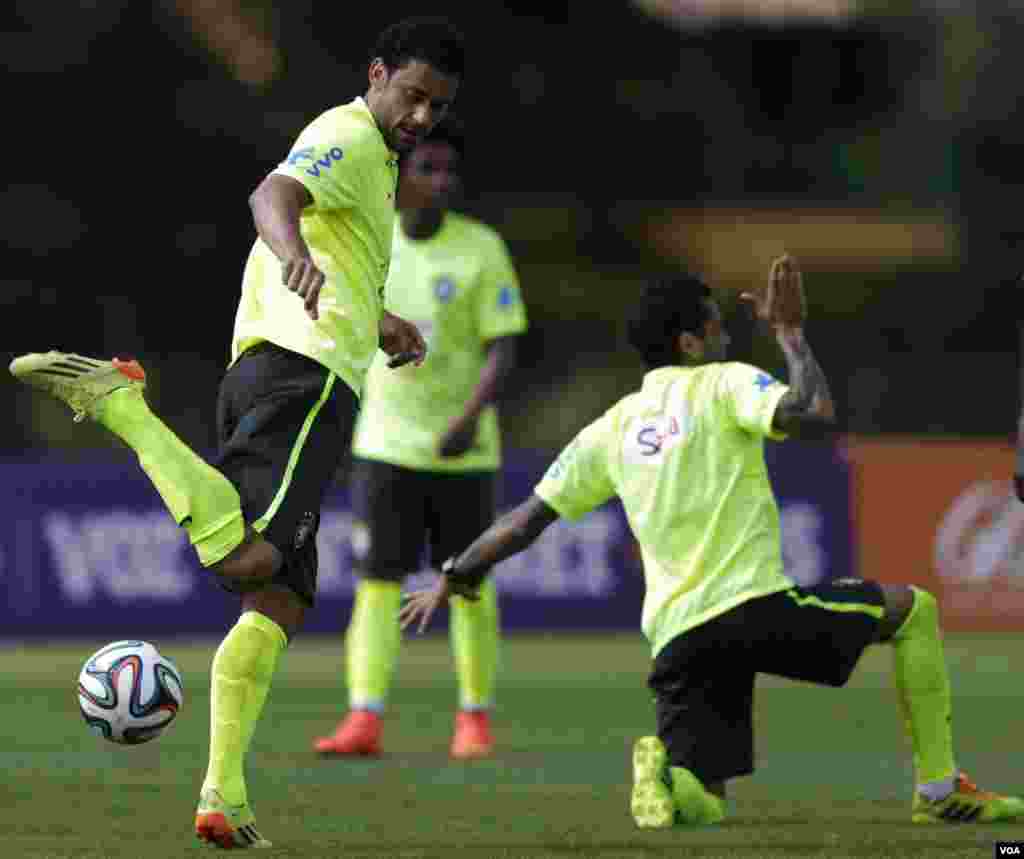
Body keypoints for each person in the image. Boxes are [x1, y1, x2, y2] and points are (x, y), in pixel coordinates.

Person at [10, 16, 464, 849]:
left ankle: (222, 794)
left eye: (436, 106)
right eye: (414, 96)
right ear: (377, 75)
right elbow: (273, 197)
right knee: (249, 559)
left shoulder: (376, 157)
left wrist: (381, 320)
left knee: (278, 601)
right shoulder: (349, 133)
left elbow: (341, 251)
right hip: (304, 371)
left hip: (298, 362)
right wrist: (294, 254)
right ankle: (125, 410)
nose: (423, 117)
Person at [400, 257, 1024, 827]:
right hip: (753, 607)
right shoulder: (723, 382)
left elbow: (527, 520)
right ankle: (940, 791)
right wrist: (792, 335)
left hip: (678, 638)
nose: (728, 335)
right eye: (718, 326)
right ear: (690, 343)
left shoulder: (610, 429)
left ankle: (671, 777)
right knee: (914, 610)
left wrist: (455, 573)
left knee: (707, 802)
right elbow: (812, 412)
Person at [313, 116, 527, 760]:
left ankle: (474, 719)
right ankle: (364, 717)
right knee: (378, 581)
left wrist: (468, 419)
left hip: (464, 451)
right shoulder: (373, 245)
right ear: (401, 175)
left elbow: (504, 347)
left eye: (449, 170)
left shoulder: (482, 248)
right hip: (385, 446)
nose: (440, 180)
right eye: (426, 168)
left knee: (466, 581)